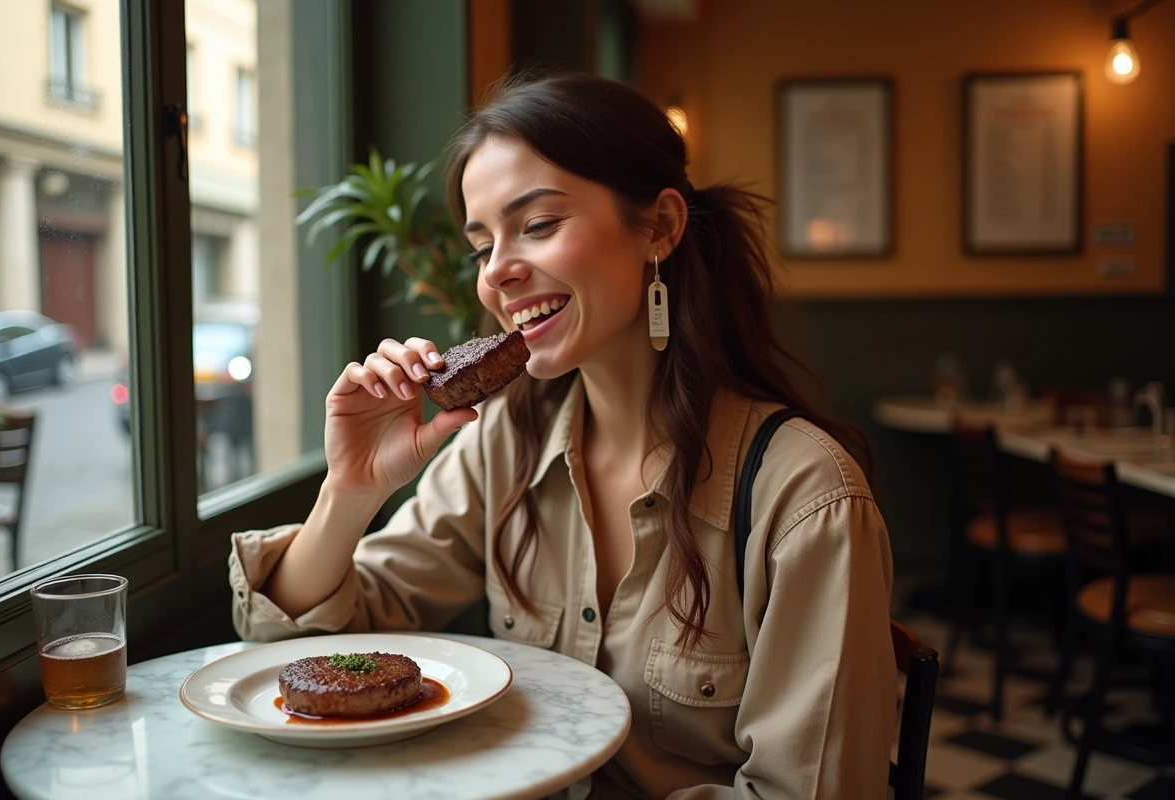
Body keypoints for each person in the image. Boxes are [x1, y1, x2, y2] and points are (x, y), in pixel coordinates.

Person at [230, 73, 897, 800]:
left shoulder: (804, 497)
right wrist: (350, 492)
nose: (498, 274)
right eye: (481, 245)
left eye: (539, 224)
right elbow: (308, 662)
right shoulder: (504, 443)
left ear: (661, 229)